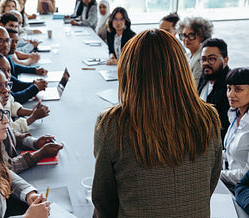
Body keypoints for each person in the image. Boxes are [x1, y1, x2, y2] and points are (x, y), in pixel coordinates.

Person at [92, 29, 222, 217]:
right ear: (181, 68)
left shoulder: (112, 124)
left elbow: (103, 200)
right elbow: (209, 182)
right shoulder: (209, 116)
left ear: (129, 71)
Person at [0, 59, 62, 173]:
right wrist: (39, 154)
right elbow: (5, 169)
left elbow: (9, 133)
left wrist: (33, 142)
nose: (6, 90)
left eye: (6, 84)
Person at [0, 51, 49, 132]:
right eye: (2, 70)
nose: (7, 75)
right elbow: (9, 130)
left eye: (9, 71)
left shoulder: (4, 87)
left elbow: (11, 105)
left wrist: (32, 112)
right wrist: (33, 117)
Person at [0, 26, 48, 103]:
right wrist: (35, 88)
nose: (5, 45)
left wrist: (34, 83)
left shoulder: (0, 55)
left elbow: (14, 82)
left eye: (7, 40)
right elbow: (12, 99)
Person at [198, 38, 231, 138]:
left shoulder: (230, 85)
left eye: (211, 59)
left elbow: (225, 123)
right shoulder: (204, 79)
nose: (206, 63)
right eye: (203, 59)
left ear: (225, 60)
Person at [222, 67, 249, 189]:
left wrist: (217, 174)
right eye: (229, 88)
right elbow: (231, 153)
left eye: (238, 89)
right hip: (230, 184)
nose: (231, 94)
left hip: (242, 188)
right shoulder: (234, 115)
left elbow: (246, 174)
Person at [178, 16, 214, 87]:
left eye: (191, 35)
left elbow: (195, 86)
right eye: (184, 35)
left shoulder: (201, 58)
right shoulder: (187, 55)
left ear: (202, 36)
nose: (186, 39)